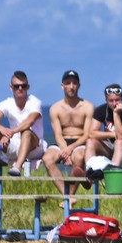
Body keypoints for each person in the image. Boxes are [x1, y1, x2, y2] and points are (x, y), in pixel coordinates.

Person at [0, 70, 45, 177]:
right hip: (15, 145)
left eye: (23, 86)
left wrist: (10, 133)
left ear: (28, 87)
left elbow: (30, 121)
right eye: (17, 86)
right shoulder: (7, 103)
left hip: (34, 148)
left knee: (26, 132)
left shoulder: (35, 102)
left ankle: (17, 167)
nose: (20, 88)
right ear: (11, 87)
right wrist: (3, 131)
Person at [41, 70, 95, 199]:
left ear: (79, 85)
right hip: (62, 142)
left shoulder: (87, 107)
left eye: (74, 83)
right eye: (68, 83)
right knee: (47, 159)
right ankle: (68, 196)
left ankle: (70, 196)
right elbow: (58, 135)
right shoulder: (55, 108)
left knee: (79, 157)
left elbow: (87, 134)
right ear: (62, 85)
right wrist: (65, 151)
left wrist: (70, 150)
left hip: (80, 142)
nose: (71, 86)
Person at [85, 84, 122, 168]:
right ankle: (90, 173)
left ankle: (112, 176)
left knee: (119, 143)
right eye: (111, 101)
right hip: (110, 145)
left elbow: (121, 136)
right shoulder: (101, 110)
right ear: (106, 100)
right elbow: (91, 133)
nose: (114, 103)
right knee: (90, 142)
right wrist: (111, 134)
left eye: (117, 100)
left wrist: (116, 114)